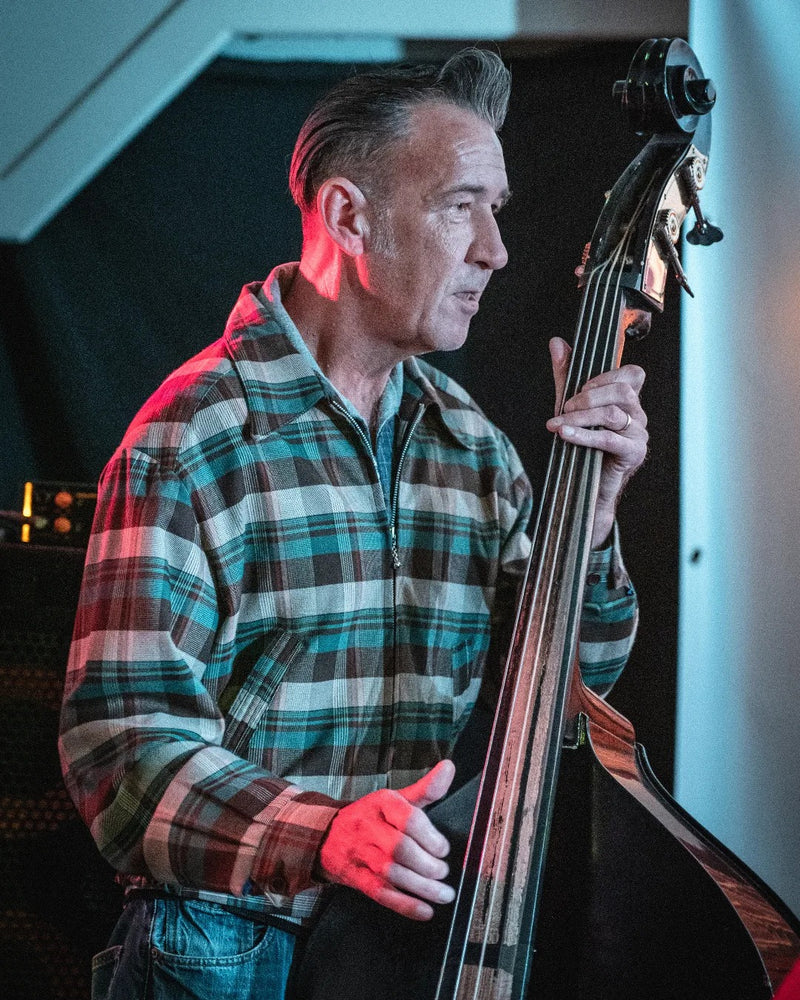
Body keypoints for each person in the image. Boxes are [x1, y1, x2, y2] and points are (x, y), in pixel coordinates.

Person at [59, 48, 647, 1000]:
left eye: (496, 210)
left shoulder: (472, 446)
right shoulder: (194, 438)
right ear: (347, 215)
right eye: (462, 205)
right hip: (226, 952)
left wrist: (597, 516)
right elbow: (120, 751)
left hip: (401, 953)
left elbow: (573, 687)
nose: (496, 248)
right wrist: (325, 834)